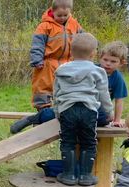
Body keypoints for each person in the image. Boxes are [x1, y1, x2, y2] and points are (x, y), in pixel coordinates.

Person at [10, 0, 82, 134]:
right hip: (48, 62)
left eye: (65, 15)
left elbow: (83, 40)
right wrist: (37, 59)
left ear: (70, 12)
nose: (62, 18)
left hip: (68, 63)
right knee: (43, 86)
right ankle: (42, 112)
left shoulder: (75, 25)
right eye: (59, 15)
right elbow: (37, 44)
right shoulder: (45, 26)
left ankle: (64, 108)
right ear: (52, 11)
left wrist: (85, 56)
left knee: (67, 88)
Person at [53, 33, 113, 186]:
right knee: (88, 142)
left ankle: (69, 175)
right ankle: (86, 176)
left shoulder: (61, 70)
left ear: (71, 52)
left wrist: (57, 111)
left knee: (67, 142)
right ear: (93, 53)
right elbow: (103, 94)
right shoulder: (98, 71)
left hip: (67, 109)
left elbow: (56, 93)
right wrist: (109, 112)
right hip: (88, 110)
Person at [96, 41, 129, 127]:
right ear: (100, 58)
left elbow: (119, 101)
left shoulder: (118, 78)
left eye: (113, 61)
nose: (108, 63)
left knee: (107, 118)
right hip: (83, 105)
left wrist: (116, 120)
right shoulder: (92, 70)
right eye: (105, 59)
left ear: (121, 63)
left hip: (101, 110)